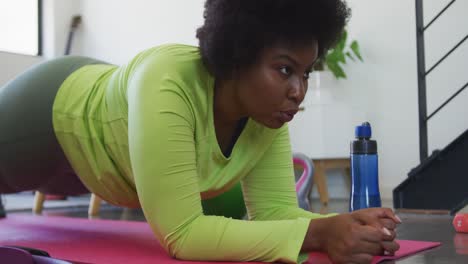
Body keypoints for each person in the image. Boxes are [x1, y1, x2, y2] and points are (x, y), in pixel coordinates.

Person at [0, 0, 401, 263]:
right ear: (238, 54)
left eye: (304, 72)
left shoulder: (268, 113)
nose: (298, 91)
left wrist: (339, 227)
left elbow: (276, 214)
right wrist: (321, 233)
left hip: (102, 166)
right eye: (284, 69)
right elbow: (184, 234)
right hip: (50, 115)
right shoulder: (168, 81)